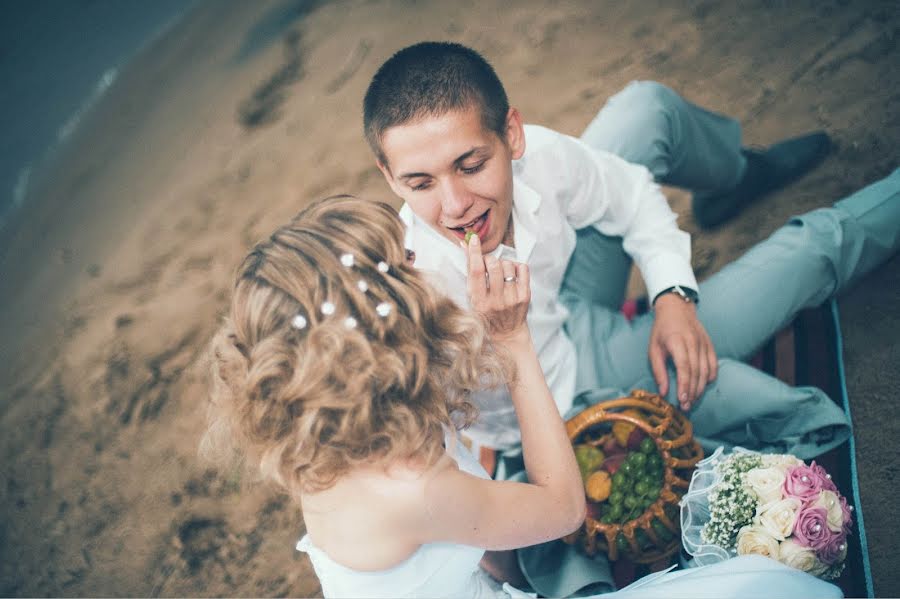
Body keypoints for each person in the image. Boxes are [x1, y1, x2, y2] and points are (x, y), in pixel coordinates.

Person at [362, 41, 900, 595]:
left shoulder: (538, 155)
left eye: (470, 165)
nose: (453, 206)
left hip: (570, 298)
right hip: (561, 393)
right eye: (419, 183)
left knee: (644, 111)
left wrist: (671, 295)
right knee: (808, 251)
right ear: (389, 175)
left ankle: (738, 174)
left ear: (512, 135)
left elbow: (631, 194)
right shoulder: (408, 293)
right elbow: (423, 447)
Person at [205, 195, 843, 599]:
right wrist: (512, 341)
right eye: (404, 262)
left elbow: (455, 535)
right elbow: (564, 509)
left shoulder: (324, 428)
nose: (421, 261)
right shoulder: (415, 488)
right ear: (387, 313)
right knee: (784, 589)